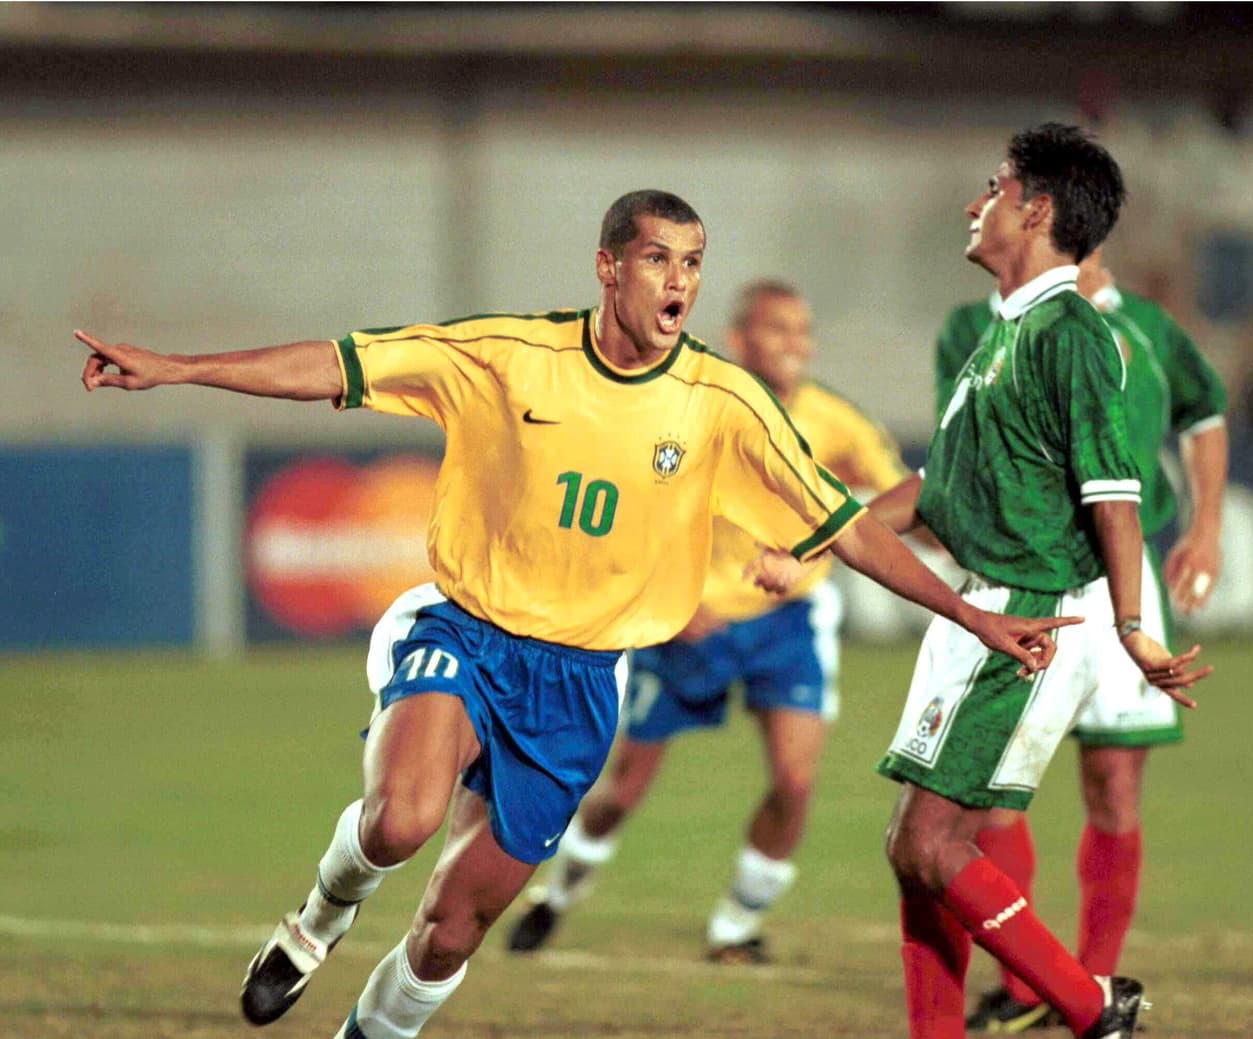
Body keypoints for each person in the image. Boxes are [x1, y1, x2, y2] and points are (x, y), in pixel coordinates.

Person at [76, 189, 1073, 1039]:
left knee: (453, 928)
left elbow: (848, 528)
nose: (677, 280)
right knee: (402, 817)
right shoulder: (506, 356)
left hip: (584, 680)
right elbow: (334, 367)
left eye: (692, 261)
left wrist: (971, 616)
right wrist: (175, 366)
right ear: (607, 266)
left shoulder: (723, 402)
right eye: (655, 258)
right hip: (466, 632)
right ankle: (318, 916)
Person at [750, 125, 1213, 1039]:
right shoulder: (1003, 332)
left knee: (929, 842)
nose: (974, 204)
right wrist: (816, 541)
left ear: (1036, 211)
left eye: (991, 188)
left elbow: (1115, 498)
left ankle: (1090, 1008)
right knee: (912, 848)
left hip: (1024, 615)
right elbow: (935, 492)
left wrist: (1130, 628)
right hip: (977, 611)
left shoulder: (1072, 334)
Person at [505, 279, 908, 962]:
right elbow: (625, 506)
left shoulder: (835, 420)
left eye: (803, 331)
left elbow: (898, 494)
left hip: (790, 618)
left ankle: (735, 926)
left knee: (795, 779)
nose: (794, 344)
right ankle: (559, 893)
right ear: (739, 339)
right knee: (620, 790)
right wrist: (668, 597)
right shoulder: (688, 407)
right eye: (778, 329)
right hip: (689, 618)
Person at [934, 250, 1228, 1033]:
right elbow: (958, 452)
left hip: (1116, 580)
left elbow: (1205, 413)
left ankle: (1092, 988)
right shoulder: (973, 325)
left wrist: (1204, 526)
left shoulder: (1147, 327)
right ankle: (1027, 984)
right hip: (1026, 582)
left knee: (1115, 789)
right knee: (991, 793)